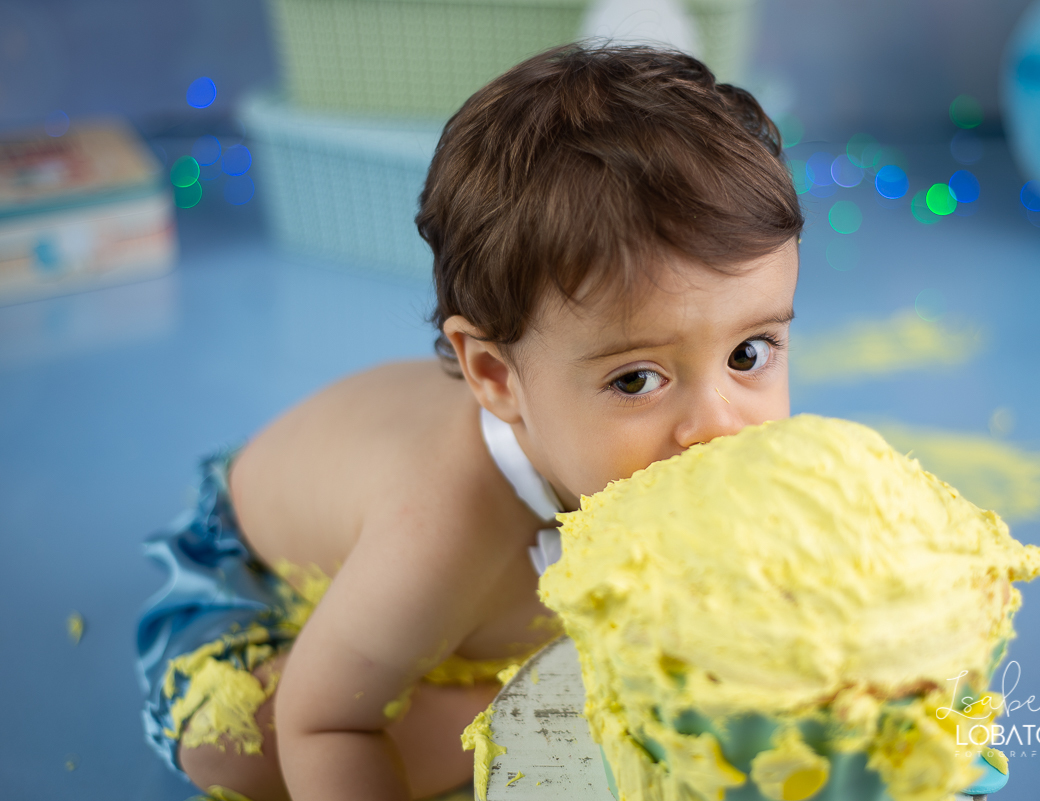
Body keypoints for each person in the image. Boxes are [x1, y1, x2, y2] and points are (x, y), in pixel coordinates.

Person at [135, 43, 804, 801]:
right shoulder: (440, 527)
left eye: (750, 352)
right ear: (494, 375)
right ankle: (523, 700)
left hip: (461, 569)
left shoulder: (686, 454)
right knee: (234, 745)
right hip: (256, 564)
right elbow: (324, 722)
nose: (719, 426)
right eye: (636, 379)